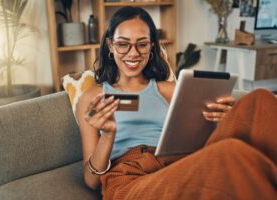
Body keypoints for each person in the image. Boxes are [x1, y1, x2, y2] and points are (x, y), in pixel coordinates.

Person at [76, 6, 277, 200]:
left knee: (260, 100)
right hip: (129, 176)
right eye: (123, 44)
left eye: (142, 44)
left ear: (152, 46)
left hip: (176, 162)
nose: (133, 53)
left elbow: (198, 138)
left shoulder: (172, 89)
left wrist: (223, 120)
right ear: (111, 45)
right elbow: (91, 180)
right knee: (229, 153)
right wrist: (108, 135)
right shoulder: (93, 97)